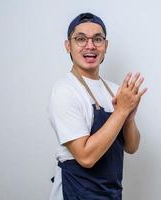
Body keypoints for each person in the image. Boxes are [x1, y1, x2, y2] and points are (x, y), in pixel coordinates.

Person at [48, 12, 147, 200]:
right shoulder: (65, 91)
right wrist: (122, 111)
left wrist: (130, 118)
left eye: (98, 39)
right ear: (68, 45)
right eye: (80, 39)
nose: (90, 46)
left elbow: (132, 147)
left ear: (106, 46)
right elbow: (86, 157)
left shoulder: (115, 90)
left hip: (111, 193)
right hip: (75, 193)